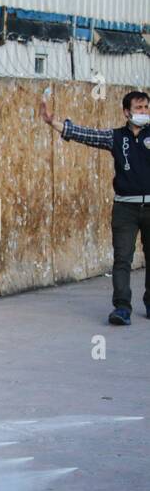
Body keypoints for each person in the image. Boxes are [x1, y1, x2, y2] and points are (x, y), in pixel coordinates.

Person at [41, 90, 150, 325]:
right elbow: (86, 134)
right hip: (125, 208)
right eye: (139, 108)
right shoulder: (116, 138)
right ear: (126, 112)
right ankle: (122, 307)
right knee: (122, 258)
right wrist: (53, 123)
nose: (144, 112)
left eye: (146, 108)